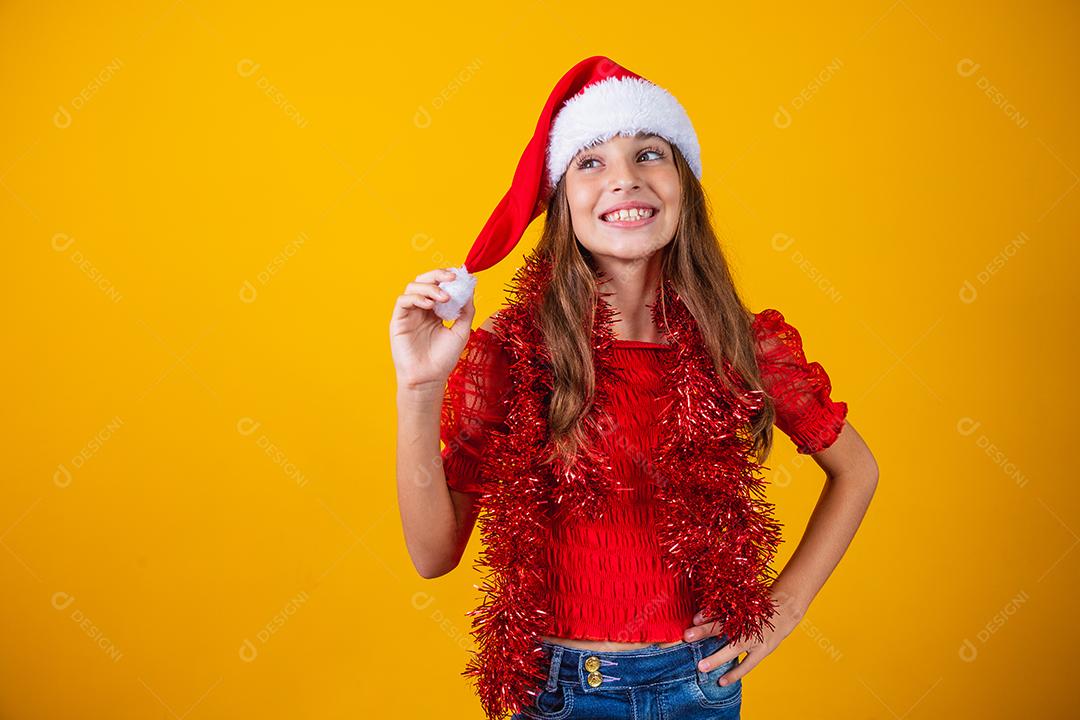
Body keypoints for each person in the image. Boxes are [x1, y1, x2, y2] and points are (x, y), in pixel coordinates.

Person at [391, 56, 879, 720]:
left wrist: (786, 606)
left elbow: (857, 469)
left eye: (650, 154)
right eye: (591, 162)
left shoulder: (741, 342)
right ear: (560, 200)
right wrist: (420, 387)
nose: (624, 178)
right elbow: (432, 555)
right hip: (563, 692)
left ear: (683, 185)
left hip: (697, 687)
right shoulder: (514, 355)